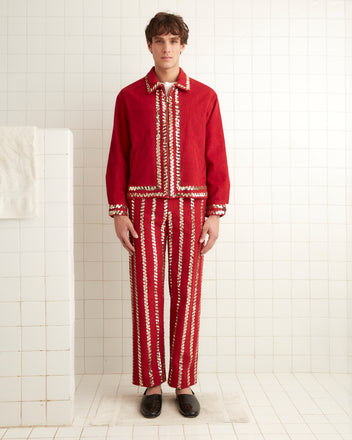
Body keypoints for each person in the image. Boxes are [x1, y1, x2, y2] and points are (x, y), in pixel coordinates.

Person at [105, 11, 230, 418]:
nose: (166, 48)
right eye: (159, 40)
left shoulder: (206, 97)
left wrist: (215, 213)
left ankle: (185, 382)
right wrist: (119, 212)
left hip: (193, 207)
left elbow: (216, 158)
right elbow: (118, 158)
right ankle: (152, 384)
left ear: (183, 46)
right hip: (142, 206)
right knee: (146, 296)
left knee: (186, 295)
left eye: (173, 40)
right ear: (149, 45)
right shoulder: (128, 97)